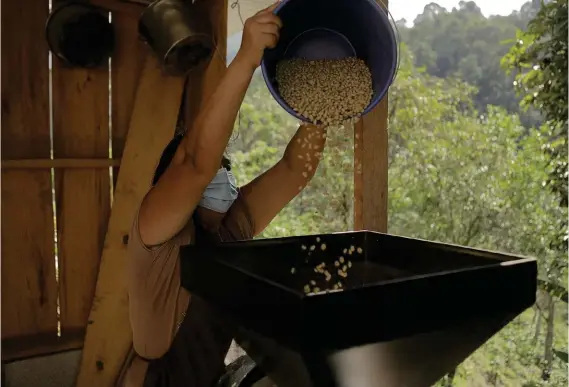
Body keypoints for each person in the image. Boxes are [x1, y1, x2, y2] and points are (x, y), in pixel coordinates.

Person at [124, 4, 328, 387]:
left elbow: (292, 172)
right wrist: (247, 58)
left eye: (227, 168)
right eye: (218, 167)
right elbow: (195, 162)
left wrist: (324, 107)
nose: (224, 175)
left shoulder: (228, 232)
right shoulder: (155, 235)